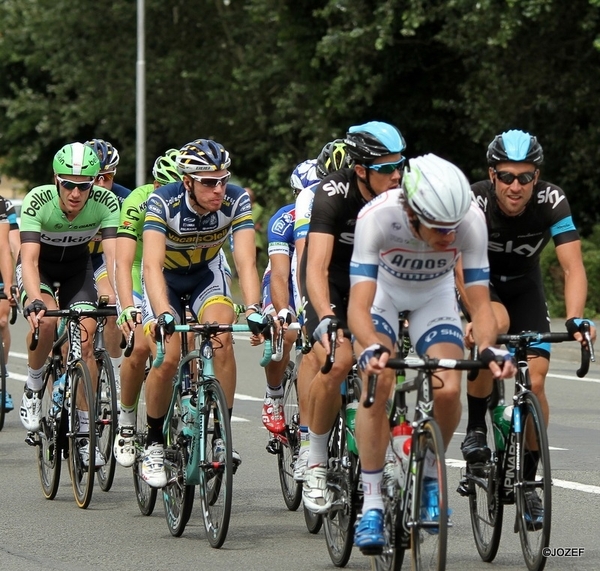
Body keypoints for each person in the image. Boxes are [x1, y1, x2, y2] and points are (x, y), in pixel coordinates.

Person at [347, 153, 516, 550]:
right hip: (382, 296)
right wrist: (371, 345)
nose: (448, 237)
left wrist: (490, 347)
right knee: (380, 378)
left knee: (449, 388)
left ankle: (428, 478)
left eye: (453, 228)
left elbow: (479, 300)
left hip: (435, 296)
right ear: (410, 210)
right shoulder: (378, 217)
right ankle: (371, 502)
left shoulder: (470, 219)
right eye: (439, 228)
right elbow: (358, 304)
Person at [457, 130, 595, 527]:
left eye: (525, 177)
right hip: (480, 284)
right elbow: (460, 263)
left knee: (536, 379)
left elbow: (572, 266)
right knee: (493, 327)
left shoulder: (552, 200)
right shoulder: (474, 200)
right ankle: (475, 431)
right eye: (506, 177)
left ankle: (530, 482)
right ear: (492, 175)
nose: (515, 186)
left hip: (525, 287)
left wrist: (575, 319)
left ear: (537, 177)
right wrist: (472, 315)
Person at [140, 138, 263, 488]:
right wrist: (163, 312)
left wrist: (254, 308)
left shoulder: (236, 199)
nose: (219, 188)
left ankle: (222, 434)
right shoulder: (163, 201)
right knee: (168, 356)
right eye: (209, 182)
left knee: (221, 336)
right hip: (166, 279)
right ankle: (152, 442)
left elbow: (245, 261)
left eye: (223, 179)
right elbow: (150, 265)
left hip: (207, 275)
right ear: (188, 181)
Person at [300, 121, 406, 513]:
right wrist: (327, 316)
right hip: (330, 282)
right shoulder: (332, 194)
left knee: (383, 367)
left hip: (373, 282)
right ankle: (315, 462)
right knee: (340, 359)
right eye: (385, 168)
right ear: (360, 169)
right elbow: (316, 266)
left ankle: (382, 451)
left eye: (400, 165)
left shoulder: (402, 194)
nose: (396, 175)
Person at [18, 142, 120, 468]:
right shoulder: (38, 200)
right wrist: (35, 300)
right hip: (41, 269)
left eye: (84, 186)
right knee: (46, 321)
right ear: (56, 180)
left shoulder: (106, 202)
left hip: (78, 269)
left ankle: (86, 437)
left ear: (95, 183)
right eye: (68, 185)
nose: (76, 193)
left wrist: (120, 297)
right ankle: (34, 386)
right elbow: (30, 261)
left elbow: (115, 260)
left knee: (86, 342)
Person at [113, 149, 182, 467]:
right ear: (155, 185)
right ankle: (127, 424)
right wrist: (127, 306)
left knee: (192, 336)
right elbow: (124, 262)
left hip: (176, 271)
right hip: (142, 268)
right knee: (140, 344)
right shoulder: (138, 201)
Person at [85, 139, 131, 382]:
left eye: (108, 177)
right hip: (72, 260)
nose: (102, 184)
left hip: (102, 260)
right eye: (96, 177)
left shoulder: (125, 199)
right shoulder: (74, 194)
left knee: (112, 305)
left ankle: (114, 374)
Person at [0, 196, 15, 413]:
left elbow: (5, 245)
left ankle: (1, 374)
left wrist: (10, 283)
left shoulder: (2, 204)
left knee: (2, 320)